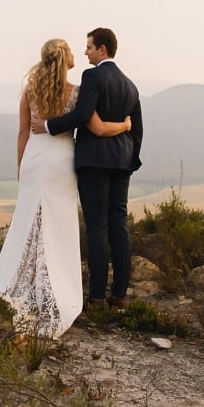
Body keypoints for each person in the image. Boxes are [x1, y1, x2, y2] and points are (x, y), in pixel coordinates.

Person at [0, 38, 131, 337]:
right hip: (61, 161)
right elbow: (97, 128)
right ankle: (58, 285)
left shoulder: (30, 90)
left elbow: (23, 132)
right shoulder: (76, 93)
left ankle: (18, 279)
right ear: (62, 58)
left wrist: (21, 167)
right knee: (59, 222)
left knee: (27, 220)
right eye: (69, 48)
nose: (76, 52)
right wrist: (125, 126)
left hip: (34, 158)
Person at [32, 27, 143, 309]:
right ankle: (119, 294)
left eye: (90, 47)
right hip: (121, 162)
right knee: (119, 224)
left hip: (94, 162)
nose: (85, 52)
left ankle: (95, 296)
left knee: (97, 227)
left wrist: (47, 126)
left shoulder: (92, 76)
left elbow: (83, 115)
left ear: (102, 50)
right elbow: (137, 129)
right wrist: (132, 159)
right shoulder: (131, 86)